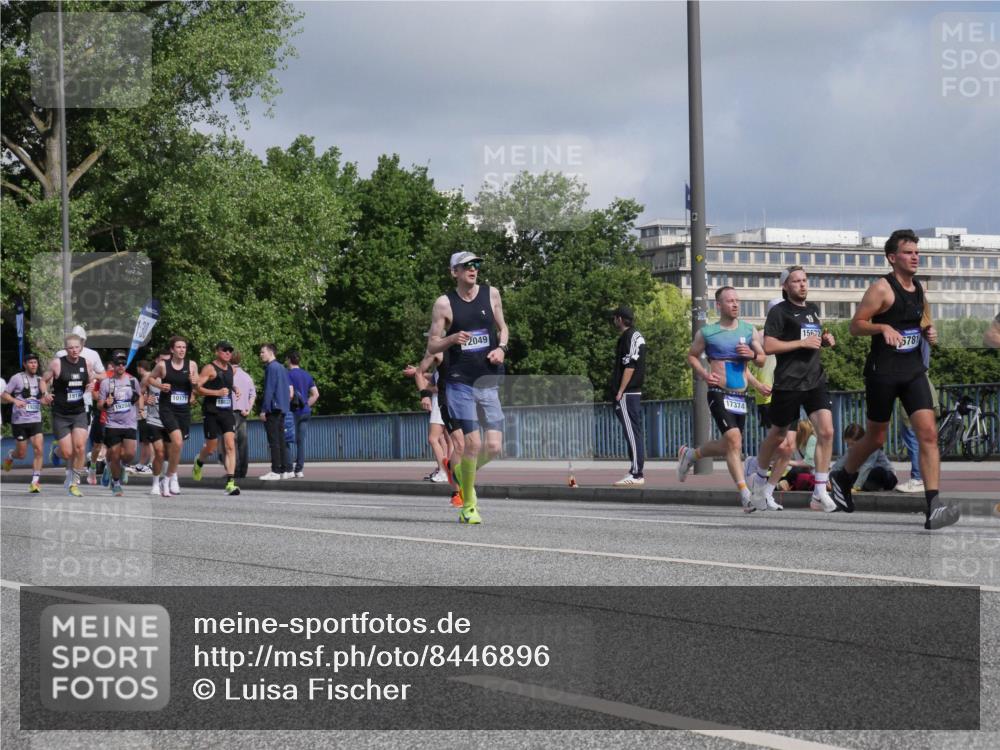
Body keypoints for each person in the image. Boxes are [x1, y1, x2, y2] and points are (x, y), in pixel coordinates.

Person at [830, 229, 959, 530]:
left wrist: (930, 332)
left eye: (917, 251)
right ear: (892, 257)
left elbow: (921, 323)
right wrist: (881, 329)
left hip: (913, 370)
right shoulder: (881, 289)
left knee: (928, 433)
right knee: (876, 438)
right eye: (908, 252)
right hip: (883, 371)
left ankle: (934, 507)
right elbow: (856, 325)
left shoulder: (918, 289)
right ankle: (842, 476)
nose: (915, 256)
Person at [427, 251, 509, 525]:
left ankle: (461, 471)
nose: (473, 269)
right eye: (467, 266)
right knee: (472, 443)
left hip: (488, 380)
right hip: (459, 381)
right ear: (455, 272)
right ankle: (469, 505)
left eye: (476, 265)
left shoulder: (492, 294)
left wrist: (501, 348)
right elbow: (432, 346)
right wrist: (451, 338)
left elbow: (503, 328)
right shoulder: (444, 304)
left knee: (494, 446)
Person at [748, 266, 838, 513]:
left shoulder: (813, 310)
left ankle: (819, 491)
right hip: (789, 382)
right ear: (785, 286)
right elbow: (768, 345)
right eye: (796, 281)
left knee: (827, 431)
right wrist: (801, 342)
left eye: (804, 280)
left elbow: (813, 340)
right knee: (778, 435)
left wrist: (826, 341)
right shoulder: (779, 312)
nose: (802, 284)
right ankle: (758, 475)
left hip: (815, 380)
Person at [678, 288, 766, 511]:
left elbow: (761, 360)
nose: (735, 304)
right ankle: (745, 495)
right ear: (719, 305)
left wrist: (753, 357)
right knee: (734, 439)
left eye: (737, 301)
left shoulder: (749, 330)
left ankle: (691, 454)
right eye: (730, 301)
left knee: (731, 445)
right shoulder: (708, 333)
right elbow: (691, 355)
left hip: (740, 396)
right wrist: (705, 374)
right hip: (718, 392)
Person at [746, 297, 795, 509]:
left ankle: (768, 491)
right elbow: (743, 367)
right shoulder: (759, 337)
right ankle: (755, 465)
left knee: (789, 448)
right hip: (767, 396)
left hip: (790, 393)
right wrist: (757, 385)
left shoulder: (791, 337)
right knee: (780, 443)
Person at [43, 333, 103, 497]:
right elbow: (43, 380)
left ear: (81, 347)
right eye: (71, 348)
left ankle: (74, 482)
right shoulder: (57, 363)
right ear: (66, 349)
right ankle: (56, 452)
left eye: (77, 347)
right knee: (68, 452)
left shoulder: (87, 363)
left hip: (79, 411)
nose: (74, 350)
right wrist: (46, 393)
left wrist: (90, 386)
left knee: (80, 447)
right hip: (61, 413)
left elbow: (91, 379)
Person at [145, 336, 199, 497]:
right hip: (167, 409)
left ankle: (168, 478)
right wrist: (160, 386)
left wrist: (195, 383)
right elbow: (150, 378)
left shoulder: (192, 365)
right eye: (178, 347)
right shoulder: (163, 365)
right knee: (177, 441)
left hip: (183, 410)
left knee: (178, 446)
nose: (182, 350)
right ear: (172, 350)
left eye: (184, 347)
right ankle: (169, 479)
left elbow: (196, 387)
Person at [192, 341, 241, 495]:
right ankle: (199, 461)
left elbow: (226, 383)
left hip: (227, 411)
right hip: (211, 412)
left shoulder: (232, 369)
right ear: (217, 352)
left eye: (230, 350)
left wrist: (235, 388)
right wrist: (216, 393)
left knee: (230, 446)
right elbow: (197, 388)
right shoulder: (209, 368)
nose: (228, 353)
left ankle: (230, 483)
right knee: (211, 448)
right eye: (225, 350)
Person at [608, 305, 648, 487]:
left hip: (628, 392)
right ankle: (635, 470)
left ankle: (636, 473)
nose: (613, 321)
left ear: (620, 319)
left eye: (615, 317)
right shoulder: (636, 336)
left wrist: (620, 391)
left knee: (632, 432)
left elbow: (630, 366)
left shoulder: (628, 337)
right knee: (634, 431)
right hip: (632, 392)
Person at [2, 352, 48, 491]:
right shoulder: (17, 378)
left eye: (35, 362)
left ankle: (35, 482)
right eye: (30, 362)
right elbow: (4, 394)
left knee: (39, 450)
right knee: (21, 454)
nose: (33, 365)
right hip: (19, 421)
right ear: (25, 364)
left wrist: (46, 400)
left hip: (35, 420)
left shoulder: (41, 380)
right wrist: (15, 400)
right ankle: (11, 455)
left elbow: (42, 399)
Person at [97, 350, 141, 497]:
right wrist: (106, 404)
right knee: (115, 455)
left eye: (123, 363)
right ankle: (116, 483)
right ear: (113, 365)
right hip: (112, 424)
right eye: (118, 363)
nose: (121, 366)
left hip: (130, 423)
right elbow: (99, 404)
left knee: (129, 455)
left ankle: (116, 468)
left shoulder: (133, 381)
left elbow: (139, 396)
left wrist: (140, 408)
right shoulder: (106, 383)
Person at [896, 373, 938, 494]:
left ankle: (917, 478)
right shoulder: (920, 369)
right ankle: (926, 479)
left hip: (913, 407)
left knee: (913, 442)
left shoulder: (906, 370)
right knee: (924, 443)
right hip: (927, 402)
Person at [259, 343, 292, 480]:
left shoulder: (271, 368)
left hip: (273, 408)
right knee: (281, 440)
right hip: (282, 408)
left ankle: (275, 470)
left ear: (271, 352)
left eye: (262, 352)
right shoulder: (282, 368)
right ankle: (285, 469)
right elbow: (287, 389)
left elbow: (269, 389)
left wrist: (264, 409)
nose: (260, 355)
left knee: (273, 440)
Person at [833, 424, 898, 492]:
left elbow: (866, 467)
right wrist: (829, 479)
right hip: (865, 476)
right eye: (848, 444)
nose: (850, 447)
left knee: (877, 471)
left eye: (852, 444)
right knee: (847, 473)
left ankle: (864, 485)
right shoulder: (851, 449)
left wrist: (856, 487)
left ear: (861, 441)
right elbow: (839, 465)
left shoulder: (871, 448)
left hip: (886, 477)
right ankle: (866, 486)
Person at [138, 354, 169, 496]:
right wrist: (143, 403)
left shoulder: (174, 376)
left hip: (170, 419)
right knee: (159, 451)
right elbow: (139, 394)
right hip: (153, 418)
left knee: (169, 453)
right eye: (161, 360)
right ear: (156, 361)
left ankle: (167, 481)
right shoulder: (148, 378)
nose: (164, 363)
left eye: (167, 360)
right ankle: (156, 483)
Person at [286, 351, 319, 478]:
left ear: (289, 360)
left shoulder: (288, 375)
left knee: (286, 439)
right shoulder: (307, 375)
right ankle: (299, 470)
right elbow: (316, 394)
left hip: (292, 412)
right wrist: (306, 405)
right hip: (305, 412)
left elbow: (289, 393)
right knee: (301, 441)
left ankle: (289, 468)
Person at [230, 351, 256, 479]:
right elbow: (253, 395)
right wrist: (248, 409)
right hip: (242, 413)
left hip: (229, 412)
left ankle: (233, 470)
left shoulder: (227, 375)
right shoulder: (247, 376)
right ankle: (243, 471)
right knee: (242, 442)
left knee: (230, 443)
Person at [777, 419, 817, 491]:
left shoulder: (812, 440)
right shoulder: (797, 442)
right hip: (800, 471)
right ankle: (783, 484)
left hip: (811, 472)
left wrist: (788, 462)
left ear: (803, 432)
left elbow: (809, 463)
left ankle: (784, 484)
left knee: (794, 471)